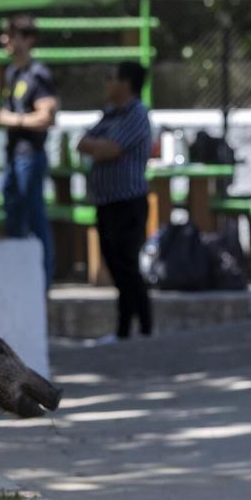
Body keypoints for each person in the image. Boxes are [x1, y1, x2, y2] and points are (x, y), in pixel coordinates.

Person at [77, 62, 153, 339]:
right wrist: (101, 149)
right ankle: (125, 331)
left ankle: (143, 328)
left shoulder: (137, 114)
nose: (107, 84)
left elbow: (111, 148)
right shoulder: (110, 114)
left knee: (127, 265)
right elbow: (83, 143)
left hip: (128, 202)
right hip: (105, 202)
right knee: (114, 265)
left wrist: (102, 149)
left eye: (112, 79)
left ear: (126, 83)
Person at [0, 15, 58, 286]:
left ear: (28, 40)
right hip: (13, 157)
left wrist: (12, 119)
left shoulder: (38, 74)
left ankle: (43, 283)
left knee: (35, 221)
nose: (4, 40)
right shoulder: (13, 73)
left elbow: (47, 117)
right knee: (13, 221)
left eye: (11, 35)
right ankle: (18, 281)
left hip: (30, 157)